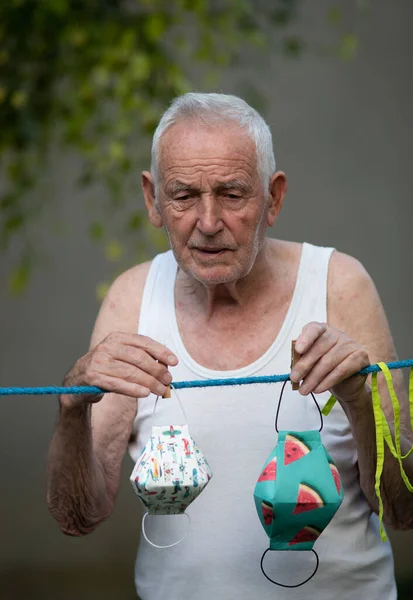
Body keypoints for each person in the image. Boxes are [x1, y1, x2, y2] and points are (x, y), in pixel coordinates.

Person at [46, 93, 413, 599]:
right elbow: (77, 516)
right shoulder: (132, 298)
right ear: (153, 200)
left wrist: (359, 402)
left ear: (274, 198)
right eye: (183, 196)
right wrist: (71, 410)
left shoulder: (338, 285)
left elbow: (403, 508)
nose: (209, 221)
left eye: (232, 194)